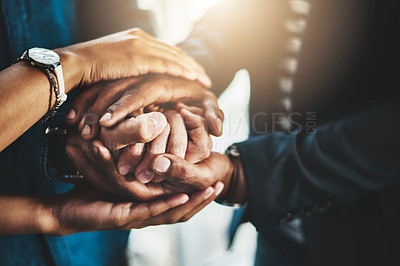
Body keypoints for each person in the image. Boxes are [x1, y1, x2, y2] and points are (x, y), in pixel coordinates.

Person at [68, 0, 400, 265]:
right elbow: (242, 21)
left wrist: (247, 176)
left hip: (372, 233)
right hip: (276, 230)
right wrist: (181, 80)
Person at [0, 0, 224, 265]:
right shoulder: (83, 63)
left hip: (93, 228)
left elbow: (117, 18)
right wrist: (78, 64)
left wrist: (139, 92)